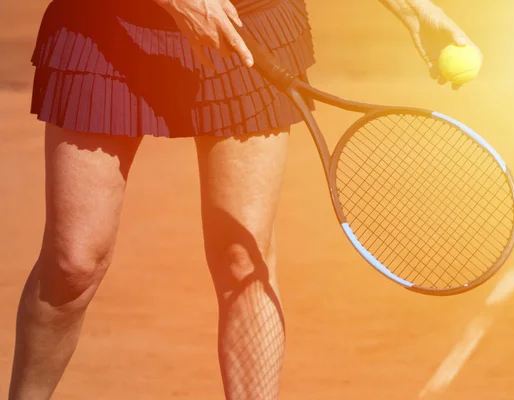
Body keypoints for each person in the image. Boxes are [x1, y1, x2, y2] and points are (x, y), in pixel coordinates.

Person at [8, 0, 481, 399]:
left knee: (244, 259)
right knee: (74, 263)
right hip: (110, 25)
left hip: (247, 28)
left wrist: (416, 11)